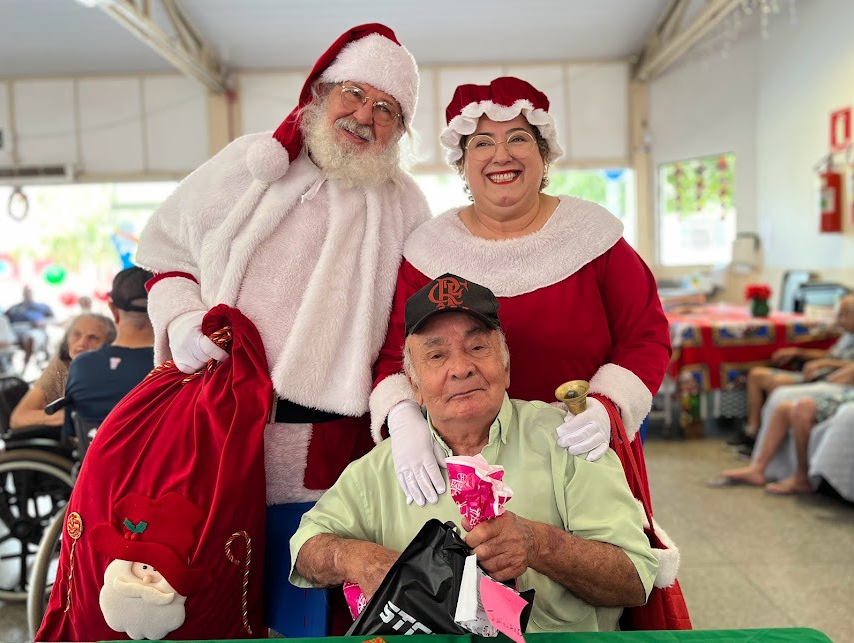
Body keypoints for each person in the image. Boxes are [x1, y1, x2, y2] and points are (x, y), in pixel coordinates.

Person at [134, 23, 429, 634]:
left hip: (327, 442)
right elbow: (166, 257)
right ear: (321, 91)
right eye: (354, 92)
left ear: (400, 132)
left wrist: (402, 413)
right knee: (201, 588)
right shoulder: (245, 163)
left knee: (304, 600)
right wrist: (183, 319)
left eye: (387, 109)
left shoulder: (407, 205)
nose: (364, 115)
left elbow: (411, 323)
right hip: (213, 419)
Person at [291, 275, 659, 632]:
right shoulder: (382, 466)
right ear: (414, 387)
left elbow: (635, 580)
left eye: (477, 347)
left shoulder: (568, 439)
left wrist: (540, 545)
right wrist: (355, 558)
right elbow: (305, 550)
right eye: (436, 355)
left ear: (506, 368)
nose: (461, 368)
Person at [369, 77, 671, 508]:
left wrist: (608, 405)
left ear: (543, 153)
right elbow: (391, 357)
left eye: (518, 138)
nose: (501, 155)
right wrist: (402, 419)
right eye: (482, 143)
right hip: (465, 466)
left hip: (582, 453)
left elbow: (647, 337)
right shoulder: (427, 252)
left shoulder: (594, 237)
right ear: (463, 162)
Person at [730, 293, 854, 452]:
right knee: (756, 375)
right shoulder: (848, 335)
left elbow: (848, 365)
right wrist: (798, 351)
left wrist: (826, 362)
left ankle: (769, 442)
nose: (838, 320)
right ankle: (752, 430)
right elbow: (830, 355)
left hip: (828, 379)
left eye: (843, 315)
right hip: (819, 372)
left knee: (778, 389)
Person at [718, 361, 854, 494]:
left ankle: (802, 479)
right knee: (784, 408)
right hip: (829, 376)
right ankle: (758, 468)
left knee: (803, 407)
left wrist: (833, 365)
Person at [61, 267, 155, 440]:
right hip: (157, 464)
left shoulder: (81, 365)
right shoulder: (173, 367)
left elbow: (71, 432)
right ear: (160, 311)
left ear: (113, 310)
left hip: (96, 463)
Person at [8, 313, 115, 432]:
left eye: (93, 337)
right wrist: (71, 417)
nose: (82, 343)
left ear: (109, 345)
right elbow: (19, 418)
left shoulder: (115, 370)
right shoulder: (62, 366)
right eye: (76, 335)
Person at [6, 285, 55, 371]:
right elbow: (4, 319)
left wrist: (42, 322)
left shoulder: (42, 307)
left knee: (30, 338)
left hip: (34, 329)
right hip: (14, 330)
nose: (27, 294)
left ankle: (25, 367)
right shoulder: (14, 308)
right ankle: (6, 367)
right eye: (25, 292)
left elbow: (53, 319)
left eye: (29, 292)